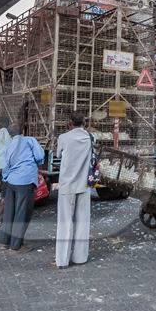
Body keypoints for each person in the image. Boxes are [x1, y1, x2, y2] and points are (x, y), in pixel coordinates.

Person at [55, 113, 94, 269]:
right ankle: (80, 257)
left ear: (70, 123)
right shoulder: (91, 138)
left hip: (67, 185)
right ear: (84, 123)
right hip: (84, 184)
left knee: (65, 222)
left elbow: (58, 154)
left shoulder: (63, 138)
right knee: (83, 221)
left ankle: (62, 260)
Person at [1, 118, 45, 253]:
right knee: (22, 213)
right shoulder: (30, 140)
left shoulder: (8, 145)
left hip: (10, 181)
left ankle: (5, 242)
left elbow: (6, 164)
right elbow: (39, 156)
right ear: (22, 131)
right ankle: (16, 245)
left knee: (9, 212)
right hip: (25, 180)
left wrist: (6, 178)